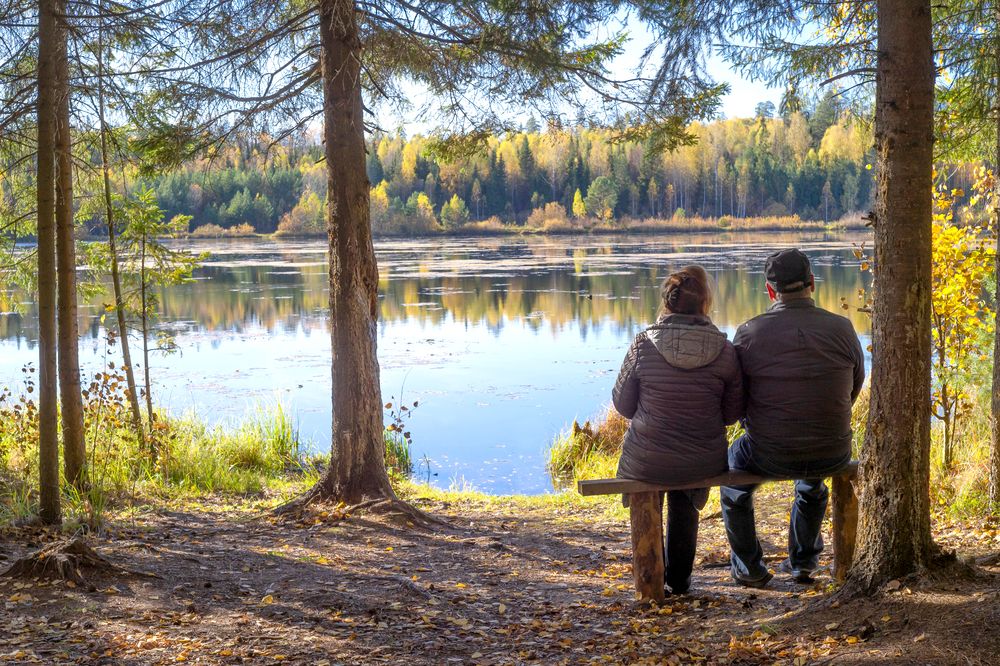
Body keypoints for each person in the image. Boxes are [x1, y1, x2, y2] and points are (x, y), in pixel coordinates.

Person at [721, 248, 865, 588]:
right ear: (812, 283)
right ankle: (802, 563)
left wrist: (752, 424)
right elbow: (854, 389)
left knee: (732, 479)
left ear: (771, 291)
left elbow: (739, 399)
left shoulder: (749, 333)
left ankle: (749, 566)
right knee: (812, 476)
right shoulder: (843, 328)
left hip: (769, 453)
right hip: (833, 448)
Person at [613, 265, 744, 595]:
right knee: (685, 495)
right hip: (702, 459)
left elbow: (623, 406)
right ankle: (680, 579)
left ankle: (650, 576)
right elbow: (732, 414)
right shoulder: (725, 350)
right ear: (704, 304)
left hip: (648, 458)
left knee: (652, 479)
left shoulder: (643, 345)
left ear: (667, 303)